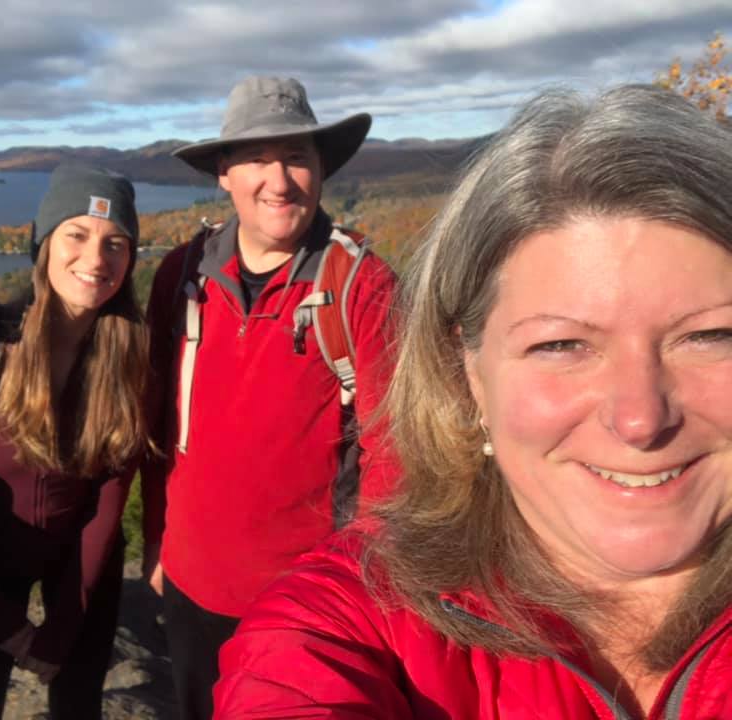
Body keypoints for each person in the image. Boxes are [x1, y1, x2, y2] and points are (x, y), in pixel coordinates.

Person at [214, 83, 732, 719]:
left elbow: (387, 450)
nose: (640, 419)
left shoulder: (356, 283)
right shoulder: (347, 626)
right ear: (468, 374)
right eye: (562, 344)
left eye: (709, 336)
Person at [141, 75, 397, 720]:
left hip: (307, 599)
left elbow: (396, 453)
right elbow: (156, 420)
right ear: (224, 173)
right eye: (257, 158)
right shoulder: (182, 275)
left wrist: (363, 588)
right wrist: (156, 546)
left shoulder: (359, 286)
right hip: (190, 582)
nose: (278, 180)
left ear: (321, 171)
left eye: (297, 158)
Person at [0, 163, 149, 720]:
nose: (96, 260)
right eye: (76, 235)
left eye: (115, 243)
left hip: (81, 563)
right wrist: (3, 625)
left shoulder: (130, 359)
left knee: (78, 706)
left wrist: (63, 627)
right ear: (43, 245)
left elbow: (108, 500)